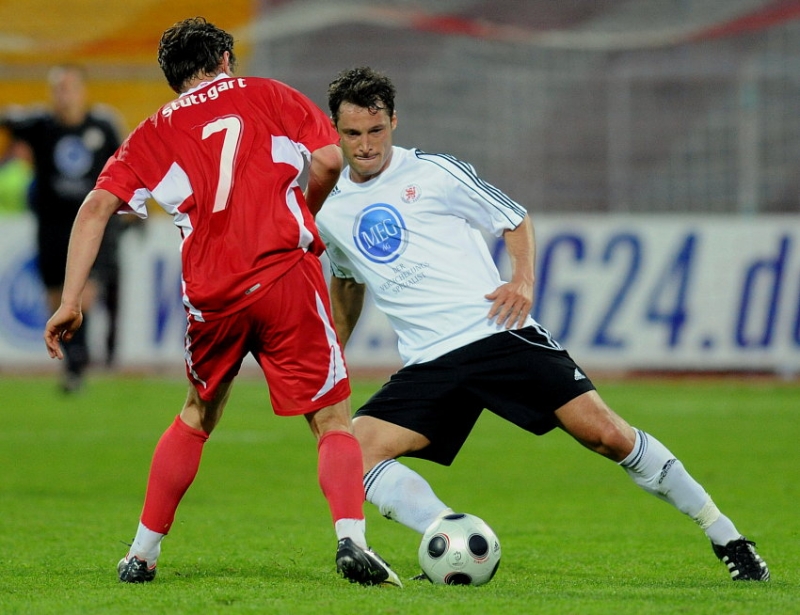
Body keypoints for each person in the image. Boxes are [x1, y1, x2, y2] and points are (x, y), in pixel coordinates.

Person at [316, 66, 770, 582]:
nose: (366, 144)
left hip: (495, 334)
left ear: (394, 122)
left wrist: (523, 282)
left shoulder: (433, 172)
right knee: (355, 452)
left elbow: (513, 217)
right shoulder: (330, 208)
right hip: (427, 361)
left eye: (376, 131)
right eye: (353, 134)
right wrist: (333, 351)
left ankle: (726, 535)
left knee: (608, 436)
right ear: (337, 131)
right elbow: (348, 280)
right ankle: (447, 532)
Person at [43, 20, 400, 588]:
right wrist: (303, 213)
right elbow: (331, 161)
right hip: (284, 276)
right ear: (226, 57)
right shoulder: (269, 93)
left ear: (172, 79)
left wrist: (69, 301)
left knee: (197, 414)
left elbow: (95, 207)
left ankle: (142, 553)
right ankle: (351, 540)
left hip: (213, 296)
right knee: (331, 418)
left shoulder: (154, 129)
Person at [1, 64, 126, 391]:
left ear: (82, 91)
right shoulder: (40, 125)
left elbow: (126, 165)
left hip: (92, 226)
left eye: (68, 87)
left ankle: (78, 360)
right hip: (52, 227)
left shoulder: (102, 126)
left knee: (84, 293)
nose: (63, 94)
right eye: (57, 88)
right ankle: (74, 362)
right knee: (56, 297)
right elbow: (9, 124)